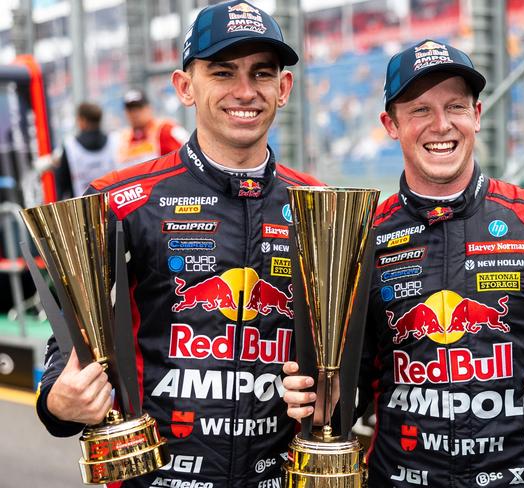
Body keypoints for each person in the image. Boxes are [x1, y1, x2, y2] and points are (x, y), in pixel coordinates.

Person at [282, 39, 524, 487]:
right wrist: (319, 396)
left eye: (455, 106)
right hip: (399, 479)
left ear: (476, 115)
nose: (441, 125)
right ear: (390, 124)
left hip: (523, 479)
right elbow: (350, 390)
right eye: (419, 110)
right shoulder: (363, 237)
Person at [35, 2, 322, 487]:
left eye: (262, 73)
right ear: (185, 87)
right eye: (223, 72)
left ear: (284, 88)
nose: (245, 91)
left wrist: (334, 394)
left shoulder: (321, 208)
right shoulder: (123, 199)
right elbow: (71, 330)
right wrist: (57, 401)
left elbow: (348, 352)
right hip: (156, 476)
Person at [54, 102, 117, 199]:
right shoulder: (114, 141)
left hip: (82, 210)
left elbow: (61, 185)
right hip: (113, 205)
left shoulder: (71, 146)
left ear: (82, 121)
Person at [116, 88, 189, 166]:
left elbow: (187, 156)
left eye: (139, 108)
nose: (135, 114)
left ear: (149, 108)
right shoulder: (121, 138)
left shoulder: (166, 129)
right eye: (130, 110)